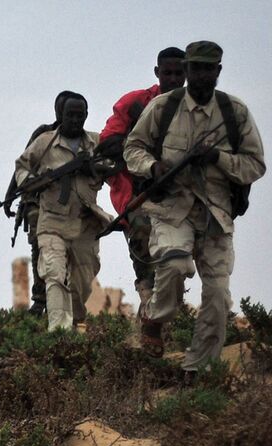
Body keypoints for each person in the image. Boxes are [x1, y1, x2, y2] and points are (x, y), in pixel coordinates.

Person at [123, 40, 265, 374]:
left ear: (218, 71)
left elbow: (255, 165)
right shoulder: (163, 107)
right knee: (174, 264)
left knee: (218, 298)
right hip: (172, 209)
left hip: (216, 214)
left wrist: (218, 158)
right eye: (195, 68)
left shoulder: (235, 112)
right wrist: (153, 167)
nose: (201, 75)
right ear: (186, 70)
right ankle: (154, 320)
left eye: (208, 69)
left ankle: (197, 371)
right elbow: (133, 149)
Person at [96, 47, 185, 316]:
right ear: (157, 73)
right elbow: (107, 143)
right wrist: (147, 155)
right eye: (167, 73)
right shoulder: (135, 104)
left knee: (178, 260)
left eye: (178, 73)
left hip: (180, 198)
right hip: (136, 196)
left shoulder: (196, 109)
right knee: (145, 252)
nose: (172, 79)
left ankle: (170, 312)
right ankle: (149, 311)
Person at [15, 95, 114, 331]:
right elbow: (21, 167)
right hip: (52, 221)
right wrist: (33, 182)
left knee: (82, 282)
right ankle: (59, 333)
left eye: (80, 115)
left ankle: (75, 323)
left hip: (85, 223)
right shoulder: (45, 143)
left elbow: (114, 167)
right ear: (61, 115)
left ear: (86, 115)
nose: (75, 119)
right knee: (54, 274)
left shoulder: (95, 142)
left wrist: (92, 167)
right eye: (70, 114)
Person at [1, 90, 79, 316]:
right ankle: (40, 298)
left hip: (68, 206)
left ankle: (63, 300)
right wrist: (10, 195)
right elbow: (22, 165)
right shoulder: (44, 134)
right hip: (36, 201)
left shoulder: (80, 139)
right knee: (38, 247)